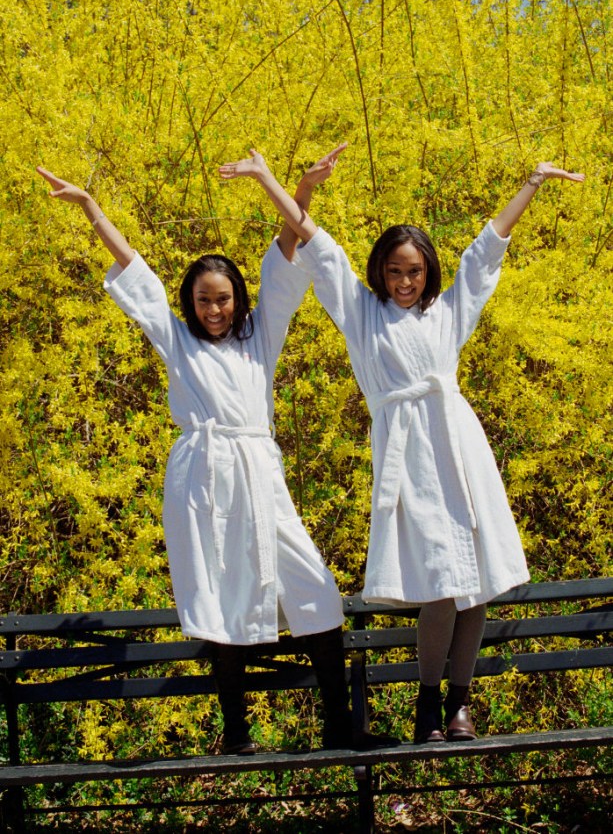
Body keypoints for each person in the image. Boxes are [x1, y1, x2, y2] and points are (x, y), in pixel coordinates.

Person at [218, 149, 585, 743]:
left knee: (478, 584)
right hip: (409, 456)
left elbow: (487, 248)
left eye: (414, 271)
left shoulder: (447, 312)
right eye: (395, 271)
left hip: (461, 449)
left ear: (427, 271)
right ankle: (427, 700)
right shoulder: (363, 314)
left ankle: (459, 707)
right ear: (380, 273)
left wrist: (533, 182)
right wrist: (271, 182)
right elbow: (316, 244)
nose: (406, 281)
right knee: (442, 582)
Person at [36, 147, 377, 755]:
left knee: (318, 589)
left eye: (222, 299)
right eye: (202, 300)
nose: (214, 309)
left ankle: (338, 724)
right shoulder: (176, 341)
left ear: (237, 300)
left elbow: (285, 253)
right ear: (189, 305)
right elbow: (134, 270)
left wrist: (298, 187)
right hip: (204, 479)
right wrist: (90, 208)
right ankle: (238, 731)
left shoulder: (259, 336)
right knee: (218, 594)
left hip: (258, 472)